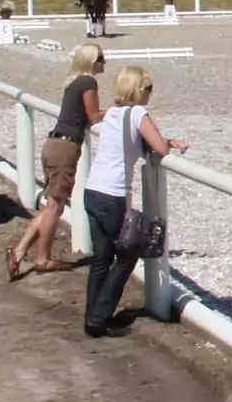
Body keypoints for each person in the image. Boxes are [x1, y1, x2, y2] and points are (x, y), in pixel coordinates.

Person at [80, 64, 187, 338]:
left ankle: (92, 316)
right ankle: (99, 318)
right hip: (112, 194)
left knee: (101, 258)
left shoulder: (113, 114)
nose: (151, 94)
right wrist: (168, 143)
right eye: (149, 88)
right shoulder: (138, 113)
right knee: (127, 255)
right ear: (140, 90)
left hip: (92, 190)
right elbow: (158, 147)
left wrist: (166, 140)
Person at [10, 43, 105, 280]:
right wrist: (119, 111)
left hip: (54, 145)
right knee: (55, 205)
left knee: (53, 203)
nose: (105, 62)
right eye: (101, 58)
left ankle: (19, 251)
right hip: (65, 147)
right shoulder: (87, 83)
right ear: (92, 61)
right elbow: (93, 117)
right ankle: (42, 258)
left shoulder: (73, 82)